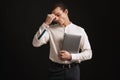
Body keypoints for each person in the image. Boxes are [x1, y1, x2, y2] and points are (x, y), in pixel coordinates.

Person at [32, 2, 92, 80]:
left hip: (73, 71)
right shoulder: (50, 29)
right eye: (54, 17)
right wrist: (46, 24)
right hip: (55, 70)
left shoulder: (79, 30)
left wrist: (71, 56)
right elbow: (35, 43)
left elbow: (89, 53)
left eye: (58, 15)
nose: (56, 18)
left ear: (66, 12)